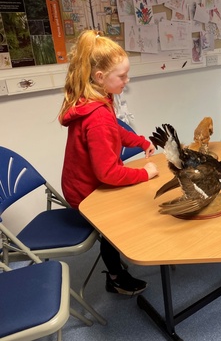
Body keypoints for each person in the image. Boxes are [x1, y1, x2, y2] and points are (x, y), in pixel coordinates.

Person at [58, 30, 159, 295]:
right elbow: (108, 174)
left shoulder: (97, 100)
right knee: (119, 222)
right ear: (101, 77)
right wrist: (145, 174)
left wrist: (140, 141)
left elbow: (115, 131)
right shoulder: (97, 115)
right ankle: (115, 277)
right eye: (122, 76)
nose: (127, 80)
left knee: (137, 200)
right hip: (87, 192)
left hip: (84, 182)